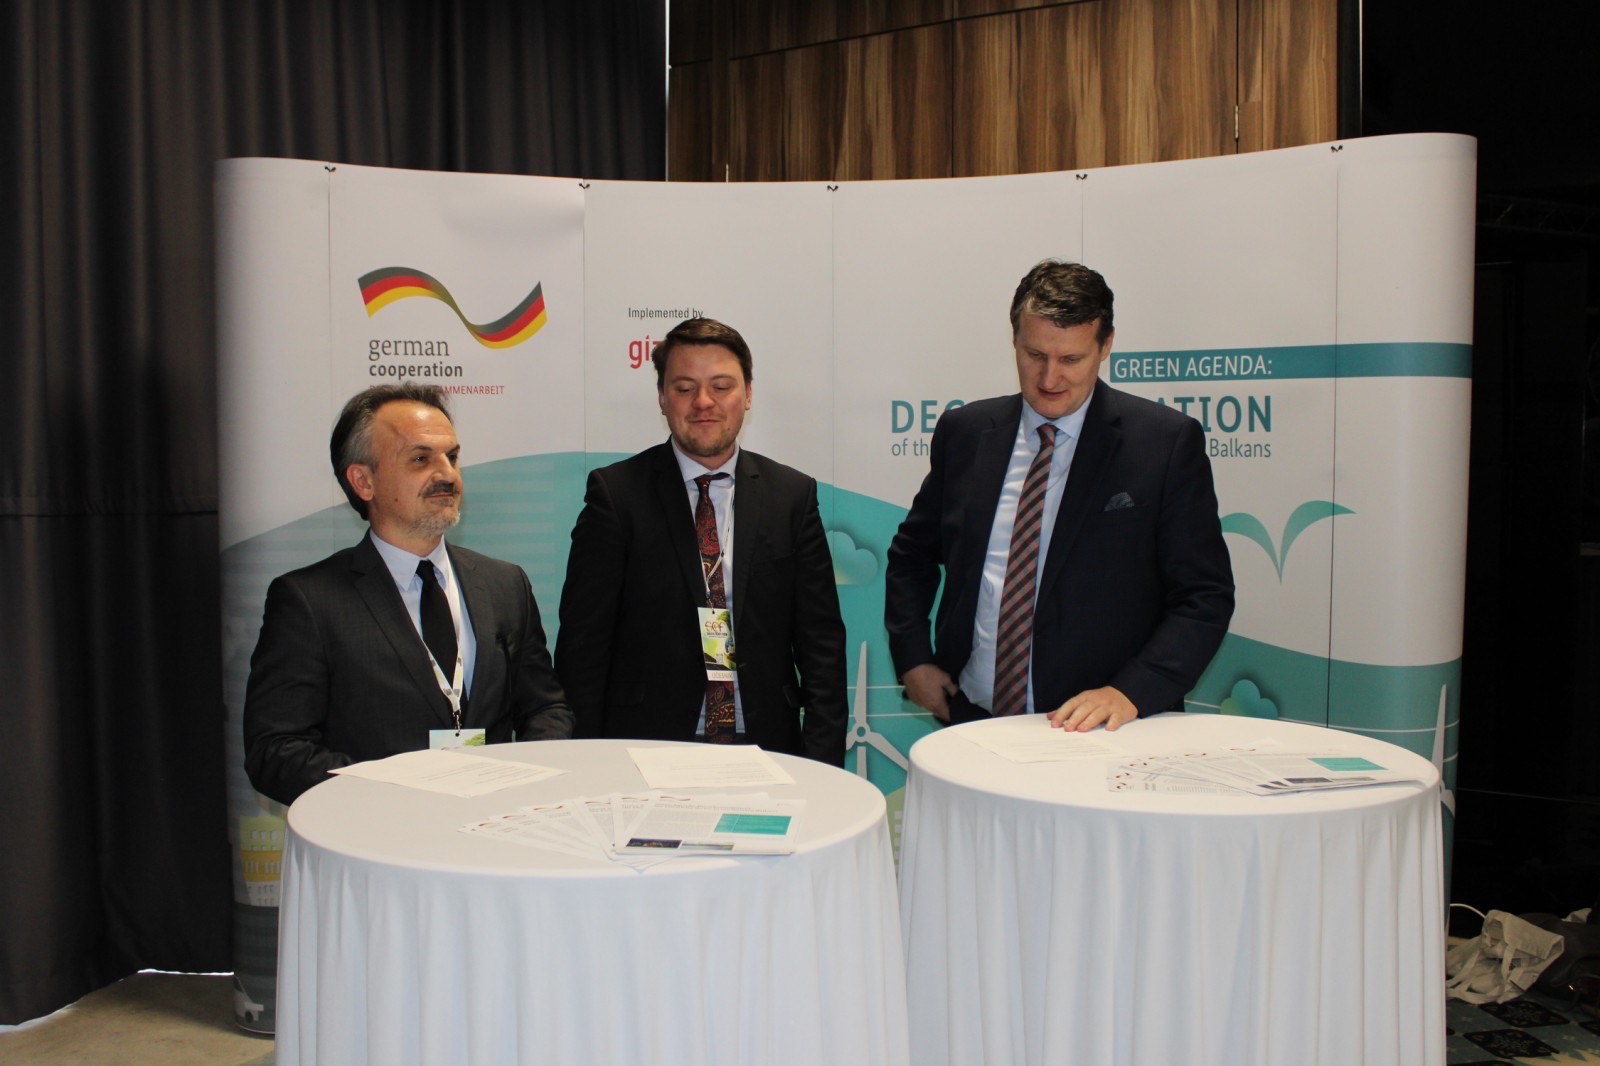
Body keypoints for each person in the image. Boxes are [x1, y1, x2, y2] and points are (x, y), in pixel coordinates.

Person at [885, 260, 1234, 731]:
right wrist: (913, 657)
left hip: (1104, 732)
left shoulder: (1164, 444)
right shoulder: (965, 433)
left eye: (1071, 359)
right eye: (1034, 355)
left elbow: (1204, 597)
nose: (1049, 379)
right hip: (971, 721)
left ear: (1105, 346)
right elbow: (912, 557)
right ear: (1014, 340)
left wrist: (1132, 691)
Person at [244, 383, 572, 805]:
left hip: (496, 826)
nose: (447, 475)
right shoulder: (308, 601)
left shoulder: (504, 584)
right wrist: (397, 791)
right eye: (421, 459)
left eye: (452, 457)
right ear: (363, 481)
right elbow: (276, 751)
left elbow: (546, 709)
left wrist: (522, 782)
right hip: (380, 832)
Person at [557, 317, 847, 765]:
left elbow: (821, 644)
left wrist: (822, 763)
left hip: (768, 745)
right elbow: (583, 646)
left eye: (721, 386)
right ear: (662, 398)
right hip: (647, 747)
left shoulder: (791, 496)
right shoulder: (616, 495)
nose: (704, 402)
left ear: (748, 395)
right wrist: (586, 763)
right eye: (684, 388)